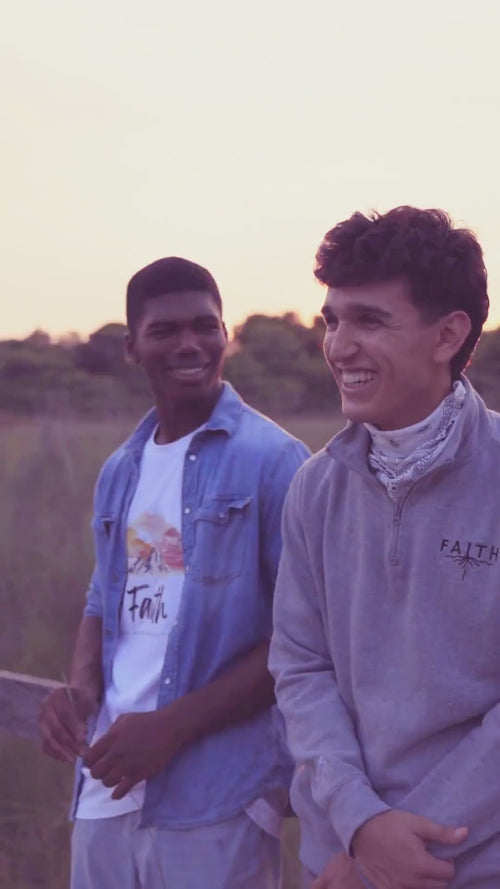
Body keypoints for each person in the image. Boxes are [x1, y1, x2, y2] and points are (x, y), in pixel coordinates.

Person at [40, 256, 310, 889]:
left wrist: (169, 730)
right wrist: (82, 691)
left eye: (205, 326)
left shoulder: (274, 461)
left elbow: (301, 637)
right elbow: (105, 600)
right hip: (105, 788)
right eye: (165, 331)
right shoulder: (121, 470)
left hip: (216, 798)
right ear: (133, 346)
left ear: (226, 334)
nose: (190, 344)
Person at [269, 206, 500, 889]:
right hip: (340, 859)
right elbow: (301, 667)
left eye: (369, 320)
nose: (339, 346)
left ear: (448, 333)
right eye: (332, 320)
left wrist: (395, 840)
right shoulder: (315, 486)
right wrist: (359, 824)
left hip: (471, 864)